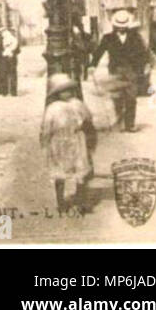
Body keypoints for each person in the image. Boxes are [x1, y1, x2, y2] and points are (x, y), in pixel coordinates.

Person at [40, 73, 96, 213]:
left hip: (76, 140)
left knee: (80, 171)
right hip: (59, 142)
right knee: (60, 173)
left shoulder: (77, 104)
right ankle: (61, 202)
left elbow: (88, 119)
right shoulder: (53, 108)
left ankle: (80, 200)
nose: (67, 93)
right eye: (63, 91)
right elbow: (47, 126)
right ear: (57, 93)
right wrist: (45, 141)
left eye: (69, 90)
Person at [91, 8, 150, 133]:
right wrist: (92, 65)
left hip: (131, 70)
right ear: (115, 25)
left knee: (131, 97)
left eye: (123, 26)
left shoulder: (135, 36)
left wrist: (145, 65)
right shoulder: (108, 38)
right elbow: (99, 52)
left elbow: (143, 52)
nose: (121, 28)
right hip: (115, 70)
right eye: (119, 26)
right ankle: (120, 122)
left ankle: (130, 124)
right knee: (117, 97)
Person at [0, 27, 20, 96]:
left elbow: (18, 50)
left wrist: (11, 52)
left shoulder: (12, 40)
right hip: (7, 60)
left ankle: (8, 92)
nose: (2, 34)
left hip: (8, 60)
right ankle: (8, 92)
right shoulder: (13, 39)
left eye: (2, 32)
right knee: (8, 75)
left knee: (7, 75)